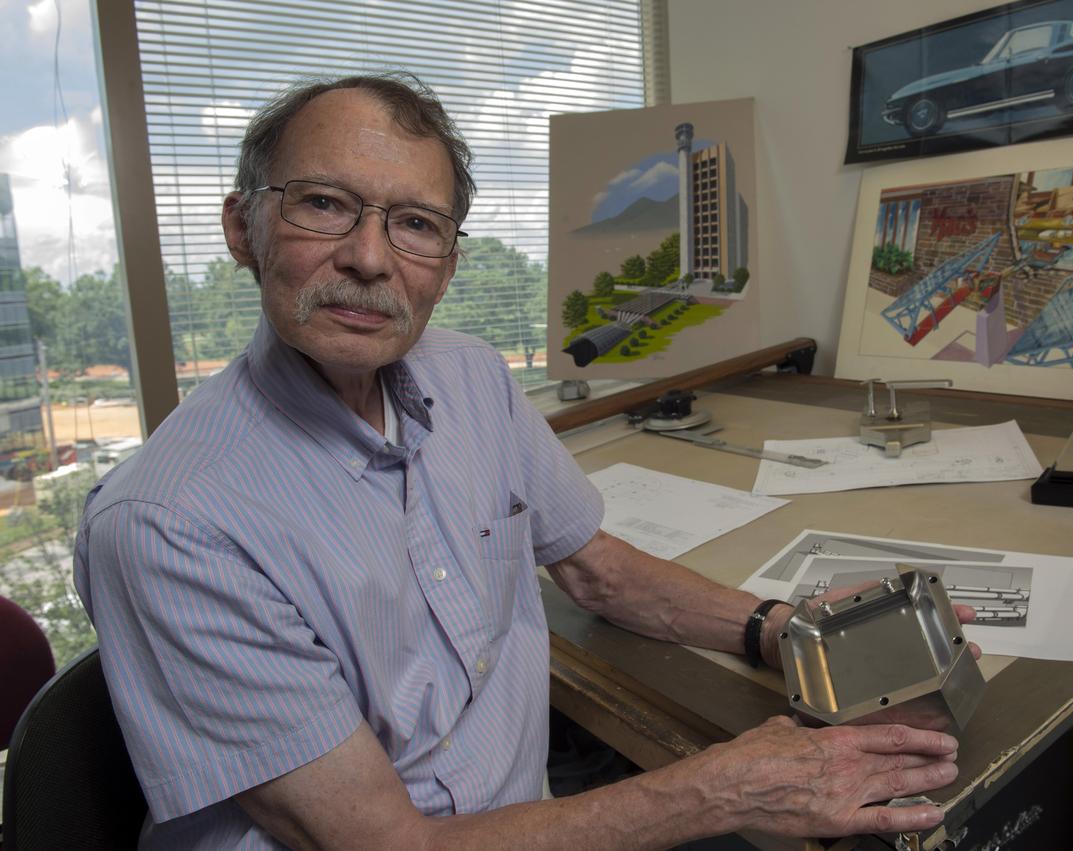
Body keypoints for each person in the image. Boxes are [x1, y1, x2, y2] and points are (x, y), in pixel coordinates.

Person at [74, 72, 973, 851]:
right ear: (243, 228)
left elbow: (599, 571)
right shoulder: (169, 524)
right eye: (322, 203)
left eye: (416, 224)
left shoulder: (467, 377)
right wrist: (720, 787)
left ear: (448, 262)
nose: (368, 257)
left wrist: (784, 628)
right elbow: (381, 844)